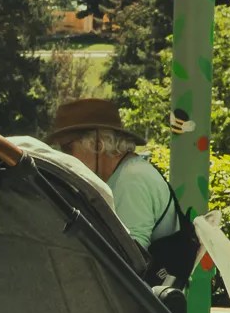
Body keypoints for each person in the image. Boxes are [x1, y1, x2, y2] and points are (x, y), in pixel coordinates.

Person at [48, 99, 195, 274]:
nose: (64, 156)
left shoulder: (131, 179)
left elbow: (131, 262)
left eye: (67, 148)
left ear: (97, 144)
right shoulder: (123, 173)